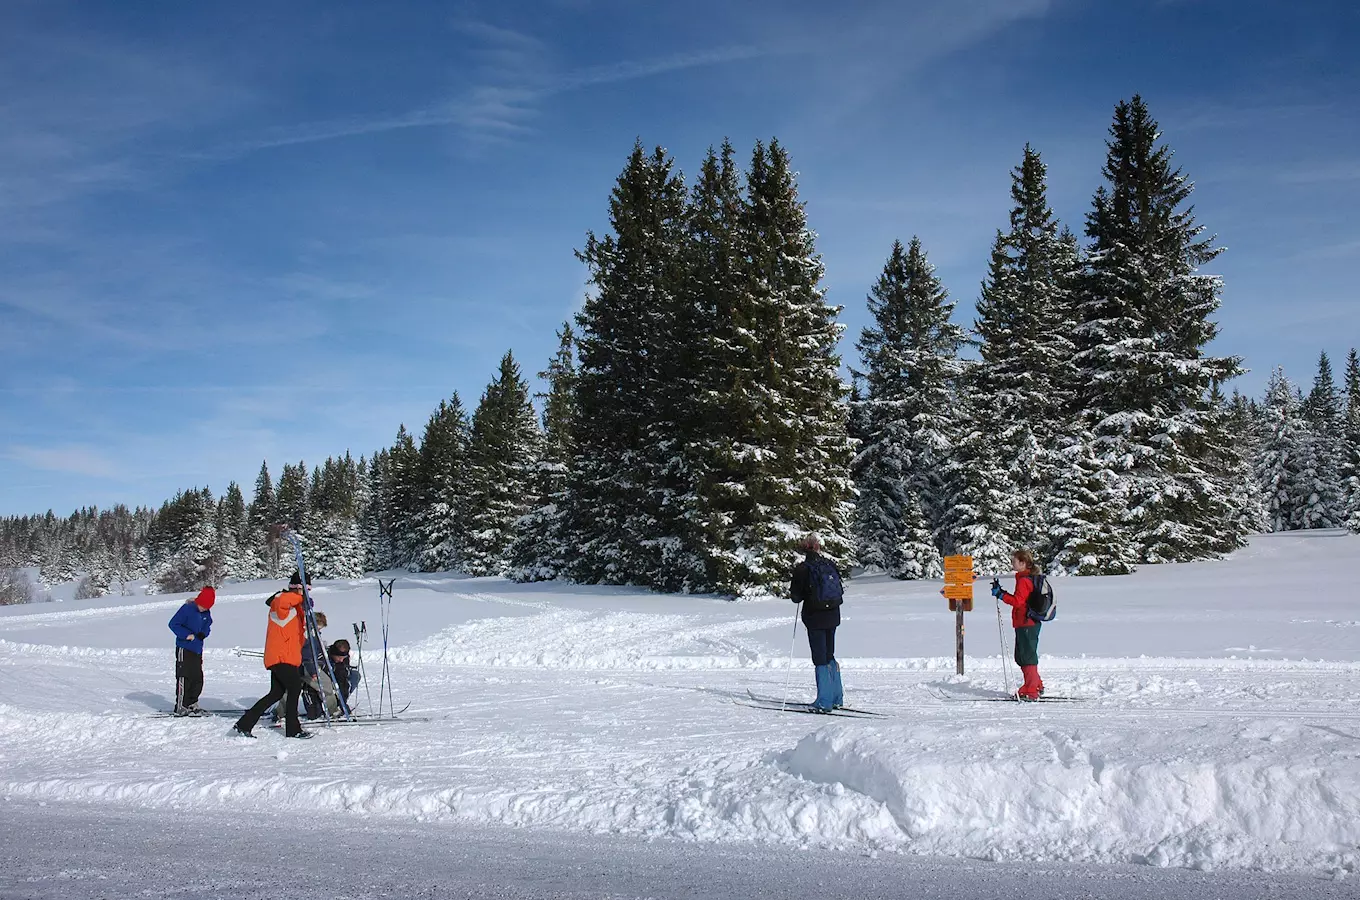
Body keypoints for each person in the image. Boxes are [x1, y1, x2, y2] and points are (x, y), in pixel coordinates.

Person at [232, 573, 313, 739]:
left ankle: (244, 724)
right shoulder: (282, 601)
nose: (307, 594)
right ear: (298, 588)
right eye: (305, 590)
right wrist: (299, 599)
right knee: (295, 687)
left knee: (276, 693)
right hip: (281, 657)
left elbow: (292, 634)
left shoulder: (294, 609)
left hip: (286, 657)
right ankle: (293, 730)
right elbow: (281, 602)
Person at [789, 535, 844, 712]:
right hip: (833, 615)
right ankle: (837, 697)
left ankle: (824, 701)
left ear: (804, 549)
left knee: (819, 658)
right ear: (818, 547)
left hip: (815, 617)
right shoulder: (829, 564)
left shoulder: (802, 569)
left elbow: (795, 597)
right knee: (830, 654)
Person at [993, 549, 1046, 701]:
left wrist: (1001, 595)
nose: (1012, 563)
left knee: (1026, 656)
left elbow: (1018, 601)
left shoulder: (1024, 580)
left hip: (1026, 622)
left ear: (1023, 563)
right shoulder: (1025, 578)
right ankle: (1036, 685)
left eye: (1014, 561)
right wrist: (1002, 593)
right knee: (1024, 655)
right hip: (1027, 622)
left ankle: (1031, 690)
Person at [168, 587, 215, 716]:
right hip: (184, 647)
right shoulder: (187, 609)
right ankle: (181, 706)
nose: (204, 609)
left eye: (207, 607)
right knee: (184, 677)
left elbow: (207, 626)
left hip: (197, 649)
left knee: (197, 678)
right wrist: (187, 635)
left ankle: (192, 703)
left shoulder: (206, 613)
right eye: (202, 606)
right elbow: (173, 624)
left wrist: (203, 634)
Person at [326, 639, 361, 707]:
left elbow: (344, 678)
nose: (341, 660)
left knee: (354, 675)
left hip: (338, 679)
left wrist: (343, 700)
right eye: (339, 657)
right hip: (326, 681)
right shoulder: (325, 655)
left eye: (343, 658)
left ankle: (340, 701)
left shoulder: (344, 659)